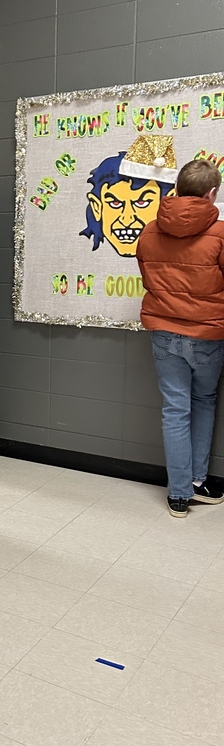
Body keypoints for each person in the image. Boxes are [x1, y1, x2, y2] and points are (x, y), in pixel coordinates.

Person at [136, 159, 224, 518]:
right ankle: (197, 482)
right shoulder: (219, 233)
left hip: (163, 333)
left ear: (178, 189)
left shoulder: (149, 230)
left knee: (175, 409)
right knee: (203, 401)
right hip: (207, 334)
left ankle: (177, 496)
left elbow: (147, 275)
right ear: (212, 192)